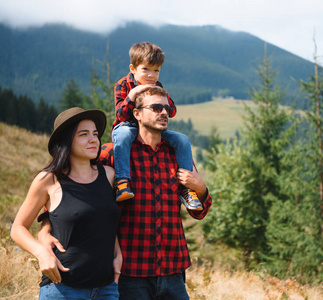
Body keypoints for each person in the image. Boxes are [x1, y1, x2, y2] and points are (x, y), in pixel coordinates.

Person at [39, 86, 212, 300]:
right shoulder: (113, 153)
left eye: (166, 108)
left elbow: (198, 213)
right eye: (156, 107)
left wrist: (201, 188)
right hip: (129, 272)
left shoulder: (179, 154)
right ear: (137, 114)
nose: (164, 113)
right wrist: (45, 231)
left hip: (173, 269)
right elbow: (70, 195)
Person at [10, 107, 122, 299]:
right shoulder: (49, 180)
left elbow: (104, 220)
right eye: (83, 134)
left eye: (95, 134)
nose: (93, 139)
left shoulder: (109, 175)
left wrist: (117, 253)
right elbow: (18, 228)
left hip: (106, 289)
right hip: (62, 288)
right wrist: (41, 252)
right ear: (67, 139)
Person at [112, 41, 202, 211]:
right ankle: (122, 182)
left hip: (153, 128)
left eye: (156, 70)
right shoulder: (123, 85)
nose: (151, 75)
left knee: (182, 139)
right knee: (122, 137)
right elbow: (120, 116)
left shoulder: (157, 86)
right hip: (128, 126)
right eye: (145, 69)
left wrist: (162, 96)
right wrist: (132, 96)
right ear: (133, 68)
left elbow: (172, 112)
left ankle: (187, 189)